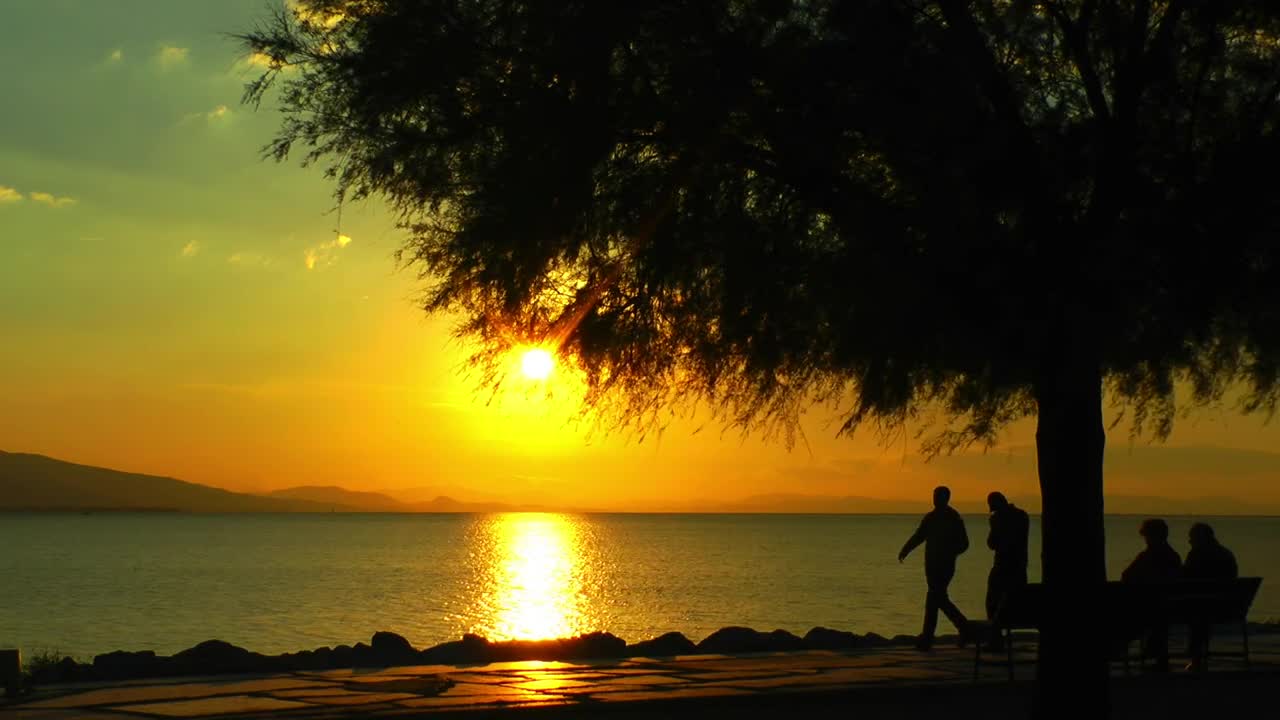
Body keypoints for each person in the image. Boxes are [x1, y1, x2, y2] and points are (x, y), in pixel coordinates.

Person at [899, 486, 970, 650]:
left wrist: (950, 553)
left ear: (946, 498)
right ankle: (962, 628)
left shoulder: (953, 518)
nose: (935, 499)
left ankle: (930, 637)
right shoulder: (931, 518)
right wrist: (906, 549)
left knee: (934, 597)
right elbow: (919, 536)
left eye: (938, 496)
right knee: (938, 598)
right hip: (931, 565)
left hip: (945, 566)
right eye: (934, 496)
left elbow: (964, 543)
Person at [1121, 518, 1182, 671]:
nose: (1145, 540)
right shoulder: (1173, 557)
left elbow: (1126, 576)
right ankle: (1156, 653)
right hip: (1169, 608)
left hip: (1150, 609)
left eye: (1146, 536)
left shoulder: (1148, 556)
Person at [1183, 522, 1238, 671]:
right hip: (1227, 608)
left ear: (1201, 538)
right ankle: (1198, 656)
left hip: (1202, 607)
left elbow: (1185, 579)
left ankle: (1196, 658)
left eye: (1192, 538)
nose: (1189, 541)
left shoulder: (1196, 554)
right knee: (1202, 608)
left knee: (1198, 610)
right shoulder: (1226, 554)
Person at [984, 491, 1029, 650]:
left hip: (1002, 568)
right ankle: (998, 636)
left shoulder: (997, 519)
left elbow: (991, 544)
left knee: (992, 602)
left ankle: (995, 639)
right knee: (1011, 602)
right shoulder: (1023, 516)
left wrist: (994, 525)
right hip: (1019, 568)